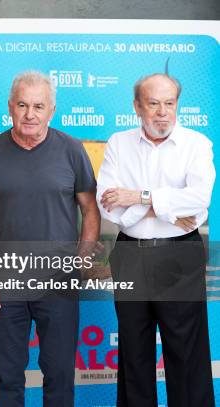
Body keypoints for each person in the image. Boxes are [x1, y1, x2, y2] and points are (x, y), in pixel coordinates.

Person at [0, 71, 100, 407]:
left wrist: (81, 261)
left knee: (58, 376)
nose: (30, 114)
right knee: (7, 377)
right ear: (10, 107)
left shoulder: (72, 150)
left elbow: (91, 210)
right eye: (23, 105)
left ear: (51, 110)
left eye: (38, 106)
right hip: (4, 285)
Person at [97, 73, 215, 406]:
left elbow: (199, 200)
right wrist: (166, 208)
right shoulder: (119, 143)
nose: (162, 112)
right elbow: (108, 205)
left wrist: (139, 197)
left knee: (186, 353)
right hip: (130, 255)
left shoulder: (196, 144)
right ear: (137, 106)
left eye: (169, 103)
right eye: (153, 103)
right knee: (133, 350)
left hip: (179, 256)